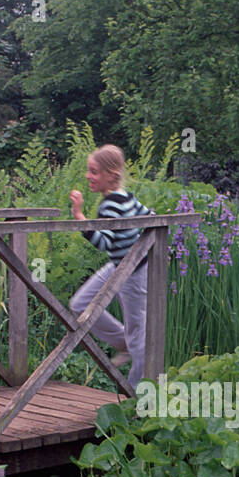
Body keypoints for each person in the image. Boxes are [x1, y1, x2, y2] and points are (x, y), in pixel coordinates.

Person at [68, 144, 153, 385]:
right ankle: (122, 343)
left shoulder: (111, 205)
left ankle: (140, 398)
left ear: (111, 176)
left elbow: (104, 242)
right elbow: (149, 217)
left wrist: (80, 217)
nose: (88, 176)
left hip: (133, 272)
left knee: (139, 335)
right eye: (88, 170)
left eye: (94, 172)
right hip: (119, 266)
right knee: (81, 305)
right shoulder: (127, 198)